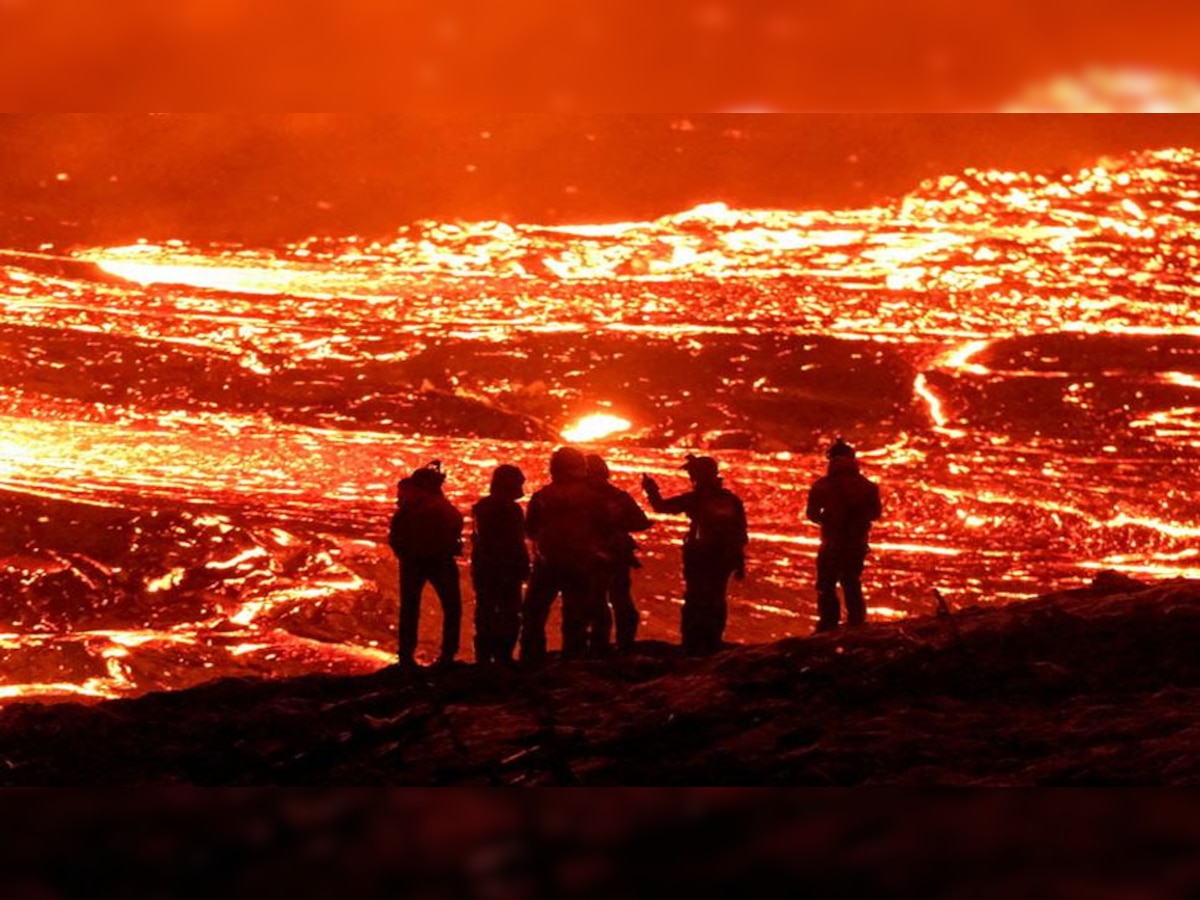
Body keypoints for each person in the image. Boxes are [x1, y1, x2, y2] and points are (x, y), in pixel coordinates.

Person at [642, 455, 747, 655]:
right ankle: (713, 640)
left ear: (698, 475)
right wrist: (739, 561)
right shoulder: (731, 500)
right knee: (716, 598)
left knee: (695, 599)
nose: (690, 477)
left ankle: (692, 642)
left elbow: (662, 507)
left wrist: (651, 489)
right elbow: (740, 532)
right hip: (723, 558)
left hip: (700, 557)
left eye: (692, 473)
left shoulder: (696, 499)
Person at [519, 446, 610, 666]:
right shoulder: (593, 498)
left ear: (554, 468)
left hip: (547, 562)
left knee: (534, 614)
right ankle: (572, 660)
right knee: (576, 616)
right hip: (581, 562)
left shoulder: (542, 496)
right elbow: (605, 529)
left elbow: (529, 529)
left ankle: (531, 660)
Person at [388, 460, 464, 667]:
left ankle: (406, 655)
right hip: (437, 561)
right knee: (451, 608)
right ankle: (446, 654)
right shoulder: (439, 507)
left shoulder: (410, 509)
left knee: (411, 608)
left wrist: (403, 554)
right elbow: (456, 525)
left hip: (415, 562)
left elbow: (395, 535)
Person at [804, 438, 882, 633]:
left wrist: (828, 520)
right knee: (851, 582)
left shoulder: (822, 486)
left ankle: (829, 623)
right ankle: (856, 621)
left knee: (826, 584)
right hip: (856, 544)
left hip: (831, 543)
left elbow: (812, 514)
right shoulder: (867, 486)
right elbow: (875, 514)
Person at [586, 454, 652, 654]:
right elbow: (642, 522)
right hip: (616, 553)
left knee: (598, 601)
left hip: (596, 554)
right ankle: (624, 643)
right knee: (619, 599)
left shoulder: (583, 497)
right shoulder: (619, 496)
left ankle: (600, 644)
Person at [470, 464, 530, 665]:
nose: (522, 489)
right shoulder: (511, 509)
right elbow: (515, 541)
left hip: (485, 567)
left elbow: (479, 540)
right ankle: (503, 656)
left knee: (486, 612)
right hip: (505, 568)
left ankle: (484, 658)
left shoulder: (481, 507)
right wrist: (523, 565)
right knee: (509, 613)